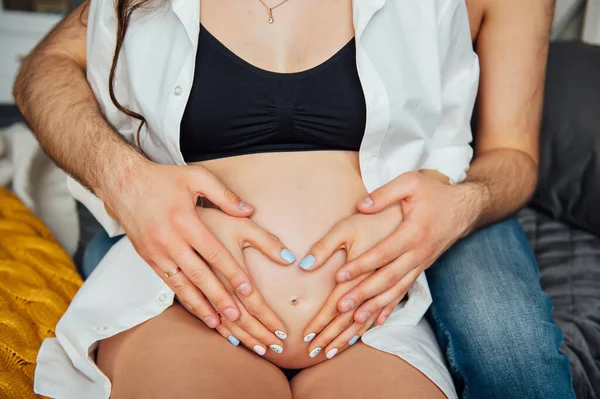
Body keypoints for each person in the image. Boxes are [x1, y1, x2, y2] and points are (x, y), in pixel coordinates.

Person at [14, 0, 574, 398]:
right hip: (181, 299)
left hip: (373, 319)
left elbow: (513, 156)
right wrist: (127, 182)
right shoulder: (139, 6)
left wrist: (459, 203)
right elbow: (44, 69)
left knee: (514, 356)